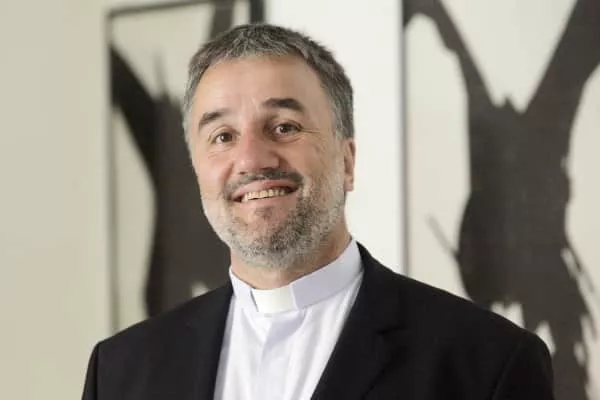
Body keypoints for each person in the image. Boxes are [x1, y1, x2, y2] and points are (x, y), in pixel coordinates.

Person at [82, 23, 554, 400]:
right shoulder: (121, 372)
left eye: (284, 127)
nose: (251, 159)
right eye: (223, 136)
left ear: (347, 162)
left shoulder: (487, 365)